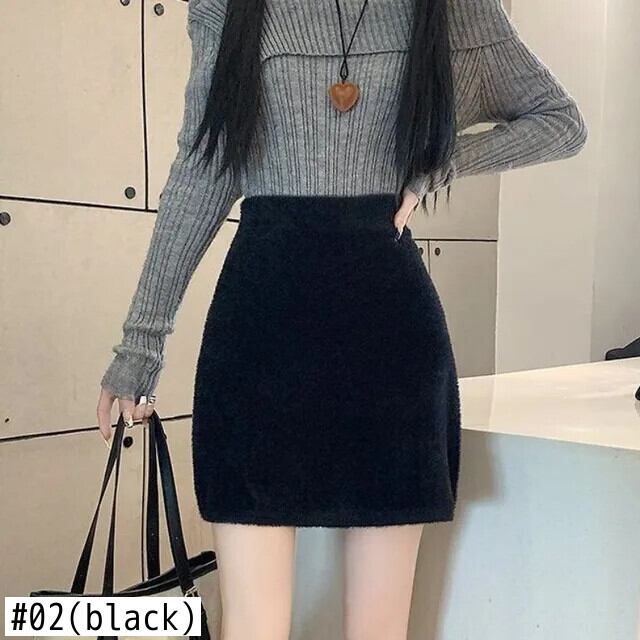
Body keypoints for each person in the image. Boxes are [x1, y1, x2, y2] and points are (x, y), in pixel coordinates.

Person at [97, 0, 588, 637]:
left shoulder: (449, 9)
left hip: (389, 336)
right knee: (253, 625)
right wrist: (140, 345)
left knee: (378, 628)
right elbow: (202, 169)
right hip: (259, 330)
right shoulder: (229, 8)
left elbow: (559, 122)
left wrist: (440, 161)